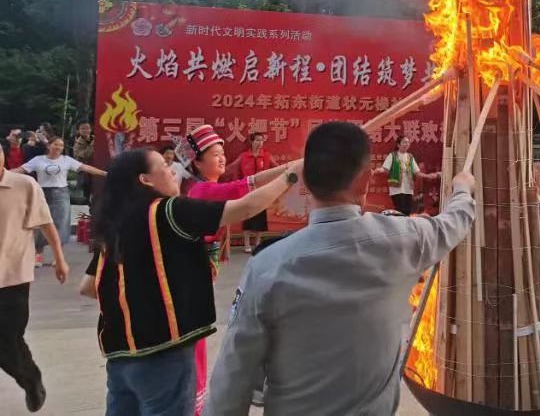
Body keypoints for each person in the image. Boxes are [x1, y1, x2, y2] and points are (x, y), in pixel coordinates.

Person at [203, 121, 477, 416]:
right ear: (365, 180)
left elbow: (232, 381)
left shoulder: (268, 266)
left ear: (305, 181)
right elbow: (453, 223)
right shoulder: (401, 239)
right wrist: (462, 189)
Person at [77, 147, 299, 416]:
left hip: (119, 356)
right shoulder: (169, 211)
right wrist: (290, 176)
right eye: (164, 167)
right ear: (145, 180)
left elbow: (89, 287)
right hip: (163, 351)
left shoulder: (115, 224)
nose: (173, 171)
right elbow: (247, 206)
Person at [184, 124, 295, 414]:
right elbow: (248, 189)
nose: (221, 159)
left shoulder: (205, 188)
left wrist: (292, 167)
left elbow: (255, 180)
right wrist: (292, 173)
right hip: (189, 281)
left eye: (223, 154)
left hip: (198, 279)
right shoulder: (203, 190)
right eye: (214, 155)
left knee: (195, 343)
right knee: (192, 345)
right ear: (197, 162)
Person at [0, 142, 69, 413]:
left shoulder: (24, 186)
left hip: (13, 276)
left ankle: (31, 380)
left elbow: (46, 223)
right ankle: (29, 378)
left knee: (9, 338)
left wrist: (60, 259)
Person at [15, 137, 106, 267]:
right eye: (56, 144)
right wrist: (5, 173)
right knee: (40, 223)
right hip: (42, 194)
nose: (58, 147)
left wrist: (104, 173)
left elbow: (85, 168)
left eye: (61, 146)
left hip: (61, 194)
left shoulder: (66, 160)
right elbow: (21, 170)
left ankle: (58, 256)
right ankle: (38, 255)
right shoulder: (38, 160)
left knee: (61, 224)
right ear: (49, 146)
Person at [231, 132, 277, 253]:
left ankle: (257, 243)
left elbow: (277, 168)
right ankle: (247, 244)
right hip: (248, 190)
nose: (260, 143)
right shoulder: (244, 156)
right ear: (251, 141)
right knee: (247, 216)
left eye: (262, 140)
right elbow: (233, 169)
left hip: (262, 191)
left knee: (260, 217)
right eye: (257, 140)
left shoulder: (267, 156)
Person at [373, 135, 440, 215]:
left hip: (408, 188)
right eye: (404, 142)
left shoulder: (410, 157)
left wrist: (429, 176)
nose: (406, 144)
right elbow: (385, 168)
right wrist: (378, 170)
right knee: (399, 211)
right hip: (396, 188)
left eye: (408, 142)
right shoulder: (392, 155)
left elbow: (417, 173)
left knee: (407, 211)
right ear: (398, 145)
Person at [73, 121, 95, 205]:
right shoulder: (77, 143)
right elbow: (84, 155)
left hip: (95, 167)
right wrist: (92, 145)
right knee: (86, 188)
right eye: (82, 128)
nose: (85, 130)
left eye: (87, 128)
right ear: (78, 130)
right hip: (84, 170)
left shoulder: (95, 138)